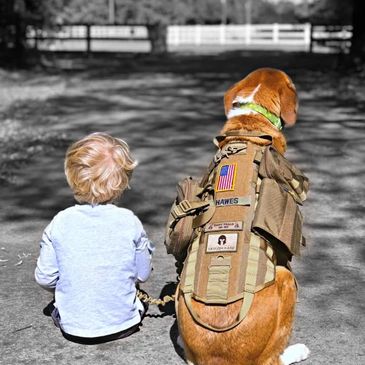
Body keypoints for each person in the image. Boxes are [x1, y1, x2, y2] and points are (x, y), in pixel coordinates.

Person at [34, 132, 154, 344]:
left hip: (73, 328)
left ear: (71, 177)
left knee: (56, 304)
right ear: (124, 181)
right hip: (125, 324)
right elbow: (142, 274)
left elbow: (45, 277)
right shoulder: (129, 221)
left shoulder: (60, 222)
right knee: (138, 299)